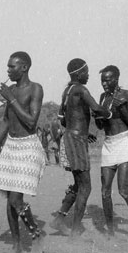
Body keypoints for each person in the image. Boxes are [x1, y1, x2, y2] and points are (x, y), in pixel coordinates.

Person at [0, 51, 46, 253]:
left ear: (24, 67)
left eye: (12, 67)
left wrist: (11, 99)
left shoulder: (35, 89)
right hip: (11, 147)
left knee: (15, 199)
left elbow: (31, 122)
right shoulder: (11, 90)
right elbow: (6, 121)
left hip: (28, 147)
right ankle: (17, 246)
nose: (8, 70)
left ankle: (37, 235)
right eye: (8, 67)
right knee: (10, 201)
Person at [49, 59, 113, 239]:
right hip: (76, 142)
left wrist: (82, 131)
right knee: (86, 186)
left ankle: (60, 219)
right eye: (86, 72)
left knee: (79, 183)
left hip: (71, 138)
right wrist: (110, 113)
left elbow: (62, 119)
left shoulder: (67, 91)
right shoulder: (82, 90)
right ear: (78, 74)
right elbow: (97, 109)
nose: (89, 75)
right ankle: (76, 229)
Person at [95, 65, 128, 241]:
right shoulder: (103, 97)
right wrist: (98, 117)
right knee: (104, 192)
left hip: (124, 143)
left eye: (108, 79)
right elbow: (101, 126)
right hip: (109, 145)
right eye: (102, 80)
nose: (104, 83)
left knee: (123, 190)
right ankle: (110, 231)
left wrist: (123, 109)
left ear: (116, 79)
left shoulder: (126, 95)